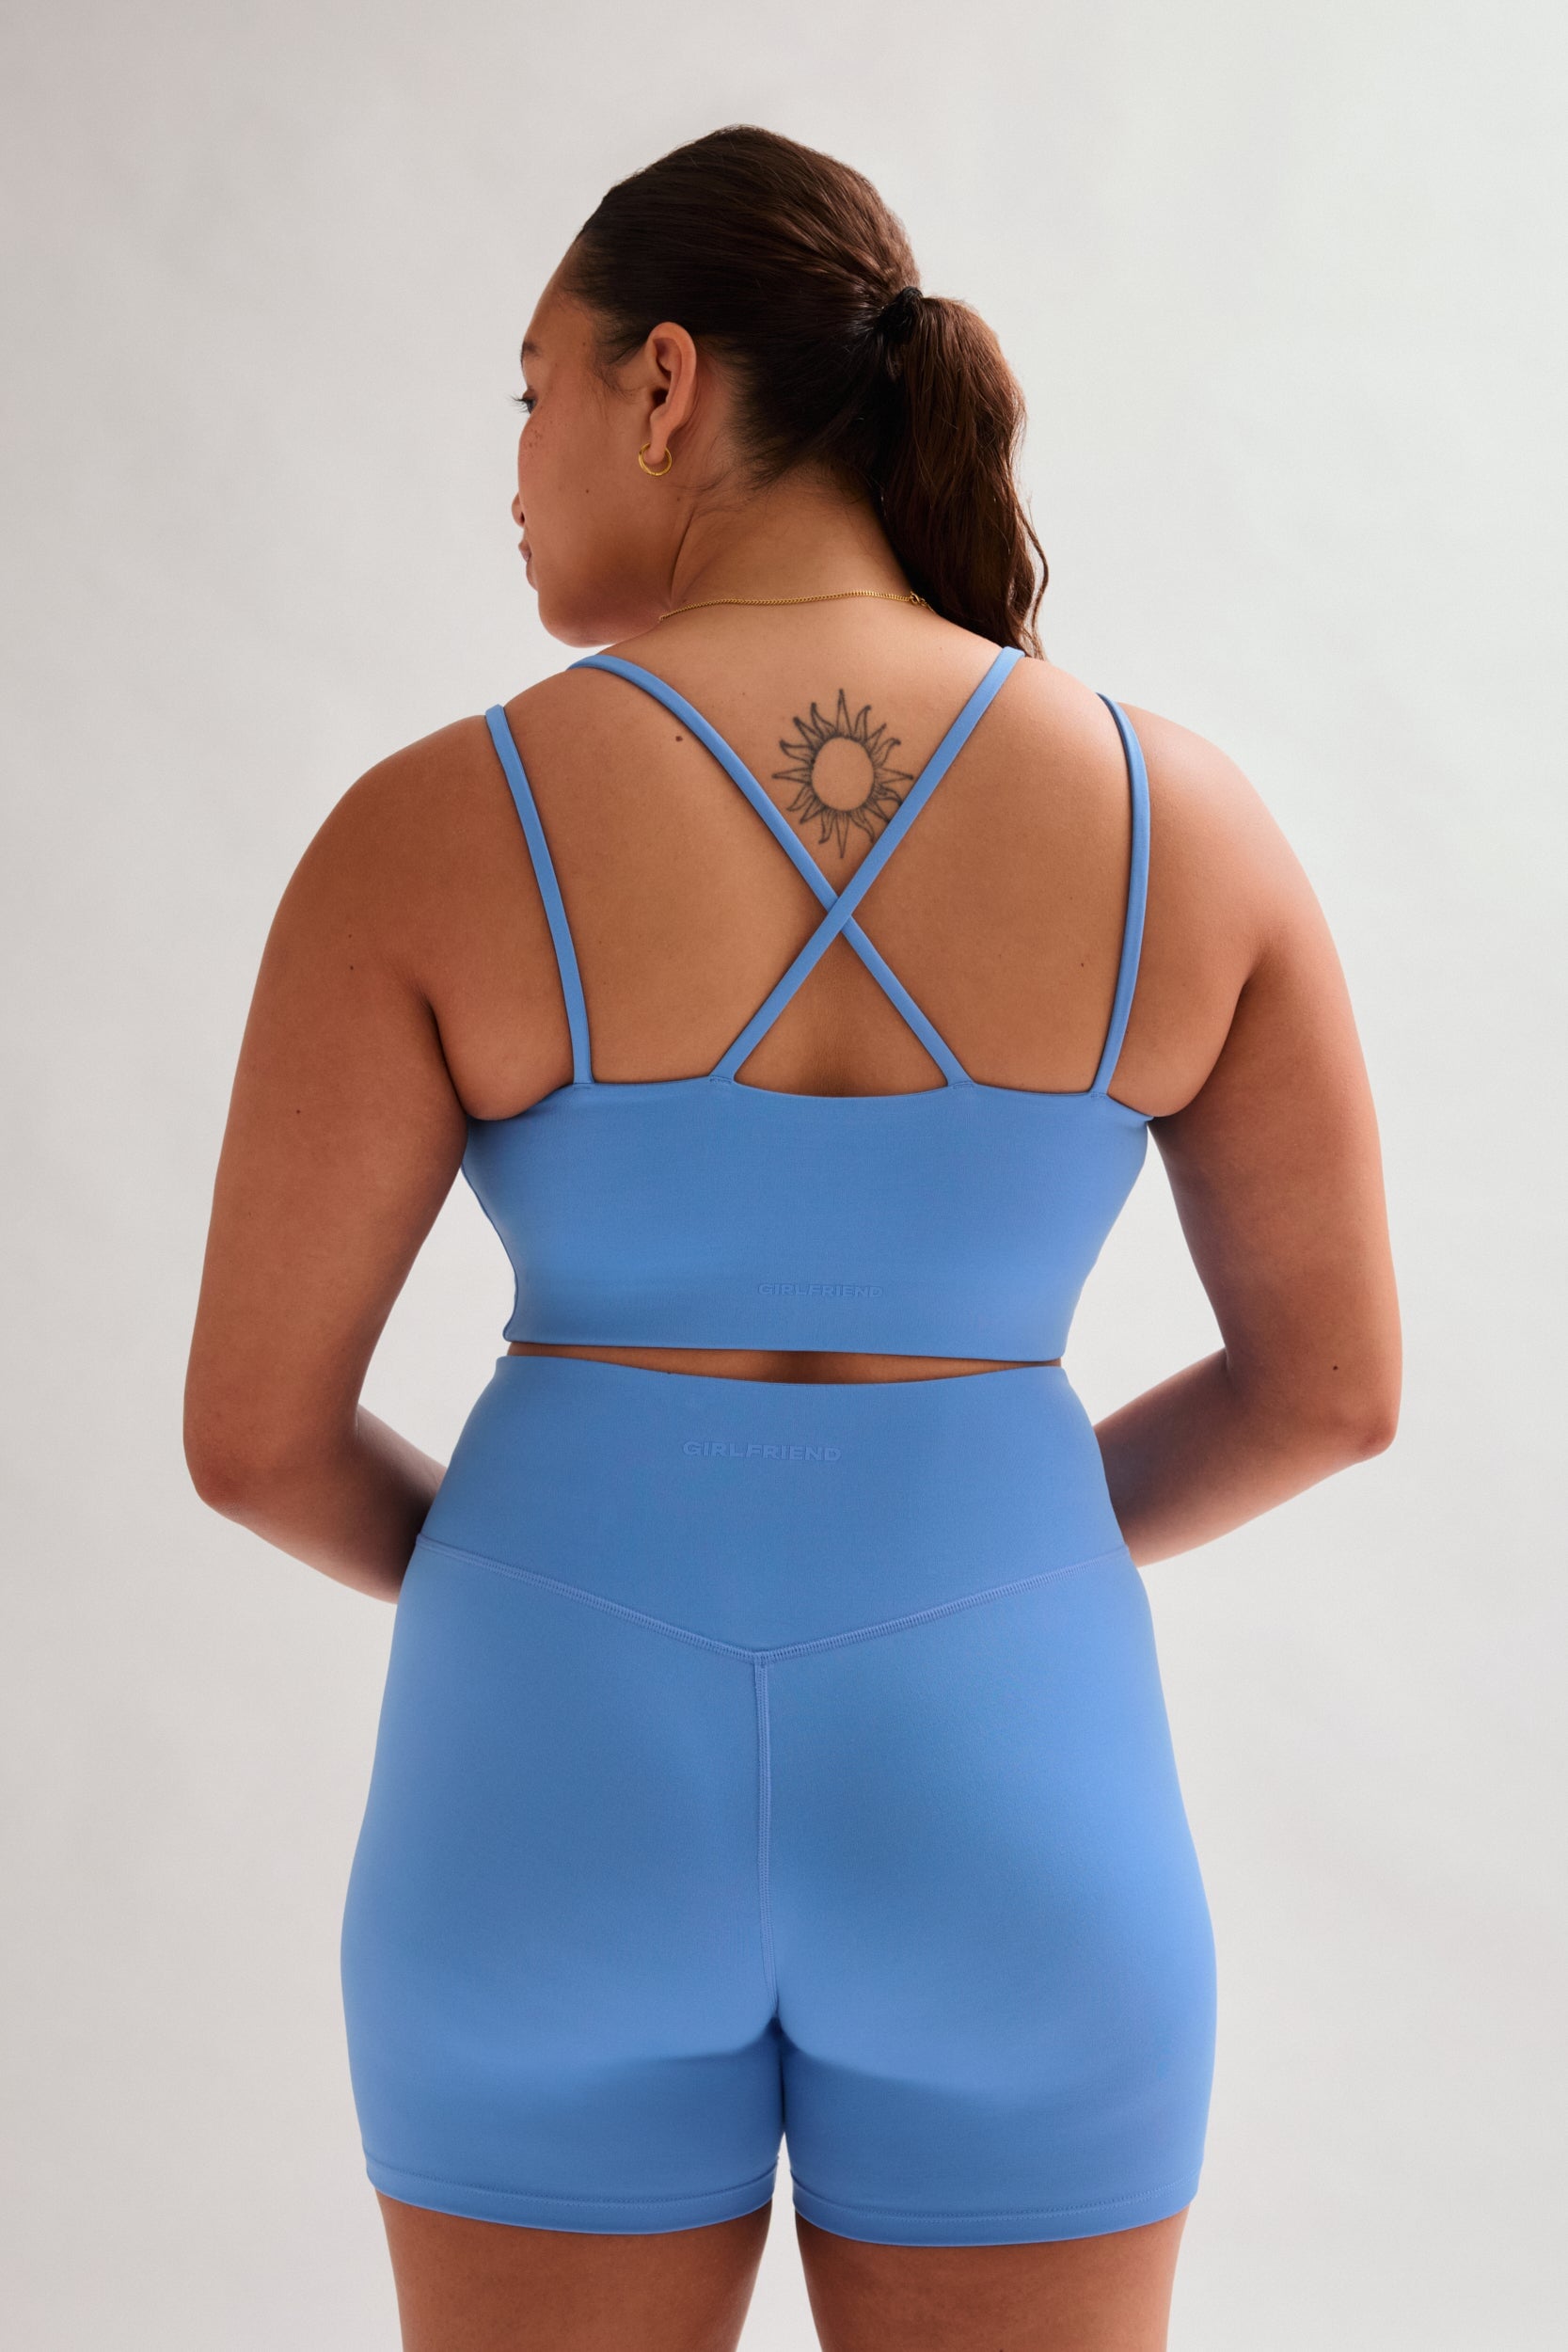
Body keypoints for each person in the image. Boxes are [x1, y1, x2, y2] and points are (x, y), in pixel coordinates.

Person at [184, 123, 1401, 2352]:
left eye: (532, 389)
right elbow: (1334, 1392)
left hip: (545, 1774)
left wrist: (568, 1571)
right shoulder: (1186, 823)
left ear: (663, 382)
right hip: (1015, 1773)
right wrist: (977, 1552)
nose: (516, 463)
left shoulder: (428, 828)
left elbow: (252, 1437)